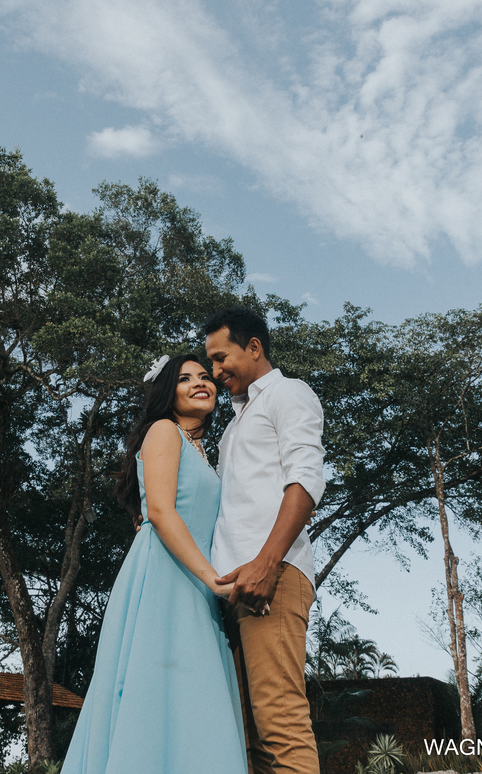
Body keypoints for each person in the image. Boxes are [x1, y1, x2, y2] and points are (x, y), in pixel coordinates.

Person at [60, 354, 247, 774]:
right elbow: (161, 513)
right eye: (185, 379)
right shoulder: (164, 431)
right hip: (166, 575)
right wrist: (215, 582)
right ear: (167, 393)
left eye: (205, 376)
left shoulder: (203, 450)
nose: (201, 382)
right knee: (153, 690)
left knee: (189, 694)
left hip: (195, 579)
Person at [204, 306, 325, 774]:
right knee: (246, 737)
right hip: (231, 588)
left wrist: (266, 563)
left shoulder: (288, 393)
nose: (215, 372)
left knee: (280, 722)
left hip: (272, 576)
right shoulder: (234, 425)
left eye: (220, 357)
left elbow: (306, 479)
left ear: (253, 347)